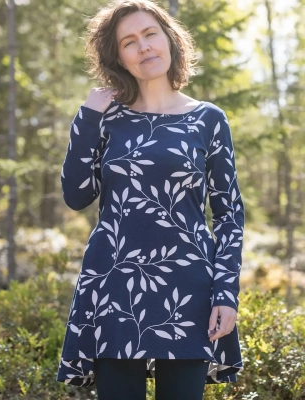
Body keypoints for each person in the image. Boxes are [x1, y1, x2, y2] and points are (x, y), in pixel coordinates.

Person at [56, 0, 245, 399]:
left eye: (150, 34)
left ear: (170, 39)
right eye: (129, 41)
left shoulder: (209, 119)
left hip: (189, 289)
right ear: (118, 57)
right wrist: (87, 117)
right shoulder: (105, 118)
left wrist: (225, 293)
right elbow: (76, 196)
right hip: (114, 285)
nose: (143, 47)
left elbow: (228, 215)